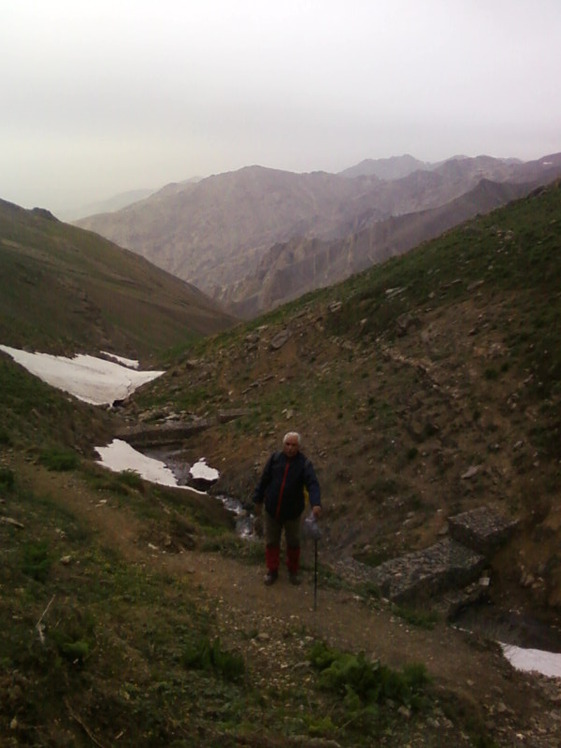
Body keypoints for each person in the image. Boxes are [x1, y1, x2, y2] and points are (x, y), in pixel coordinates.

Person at [252, 431, 321, 586]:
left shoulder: (304, 464)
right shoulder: (275, 459)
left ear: (299, 447)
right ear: (283, 445)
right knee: (271, 541)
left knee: (293, 543)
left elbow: (313, 484)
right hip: (271, 510)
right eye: (287, 444)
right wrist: (257, 500)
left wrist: (316, 503)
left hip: (293, 513)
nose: (290, 448)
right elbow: (264, 480)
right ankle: (272, 570)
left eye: (293, 445)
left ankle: (293, 571)